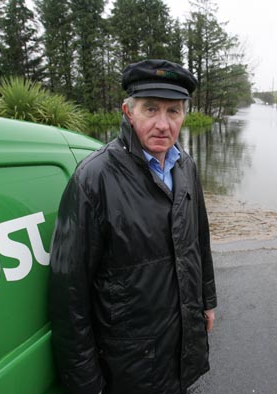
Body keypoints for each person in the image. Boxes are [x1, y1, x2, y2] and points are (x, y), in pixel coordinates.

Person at [48, 59, 217, 394]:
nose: (163, 125)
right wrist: (85, 384)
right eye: (150, 109)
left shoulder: (186, 167)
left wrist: (207, 299)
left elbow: (199, 239)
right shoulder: (94, 179)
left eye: (174, 112)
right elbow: (70, 294)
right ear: (128, 111)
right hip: (129, 364)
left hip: (180, 343)